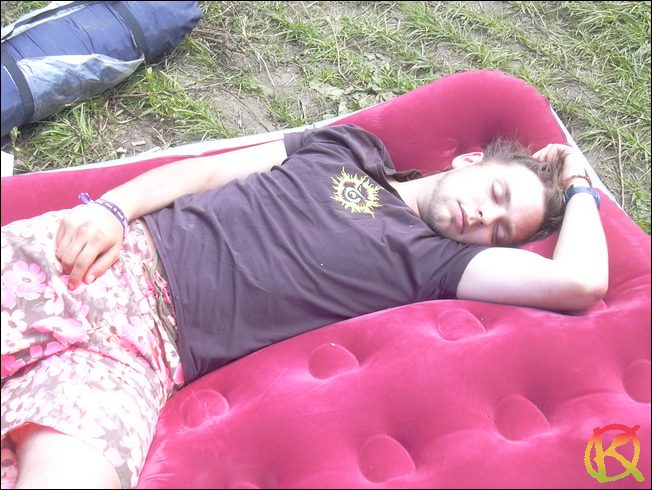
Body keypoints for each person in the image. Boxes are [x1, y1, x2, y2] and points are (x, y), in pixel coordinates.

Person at [1, 123, 608, 488]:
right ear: (470, 161)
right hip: (113, 257)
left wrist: (579, 185)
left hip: (143, 356)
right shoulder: (350, 147)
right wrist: (112, 209)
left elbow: (580, 281)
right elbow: (207, 173)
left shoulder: (438, 265)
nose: (483, 216)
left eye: (500, 229)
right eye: (496, 192)